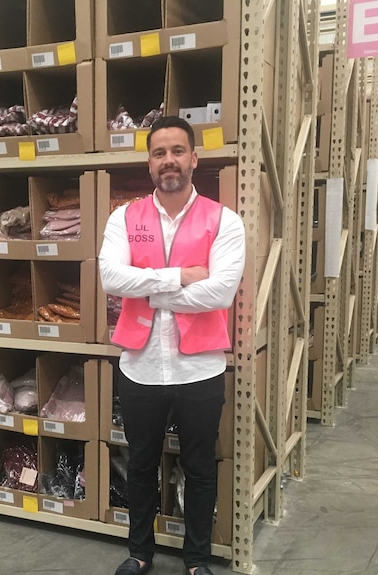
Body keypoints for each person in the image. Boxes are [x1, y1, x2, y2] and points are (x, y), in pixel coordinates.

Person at [99, 116, 246, 575]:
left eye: (178, 151)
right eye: (160, 152)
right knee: (141, 464)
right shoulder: (124, 217)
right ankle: (140, 553)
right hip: (140, 366)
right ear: (149, 164)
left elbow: (221, 292)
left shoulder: (225, 221)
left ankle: (197, 560)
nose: (169, 161)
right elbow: (110, 277)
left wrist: (145, 290)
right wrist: (181, 277)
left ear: (194, 159)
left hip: (199, 370)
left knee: (200, 467)